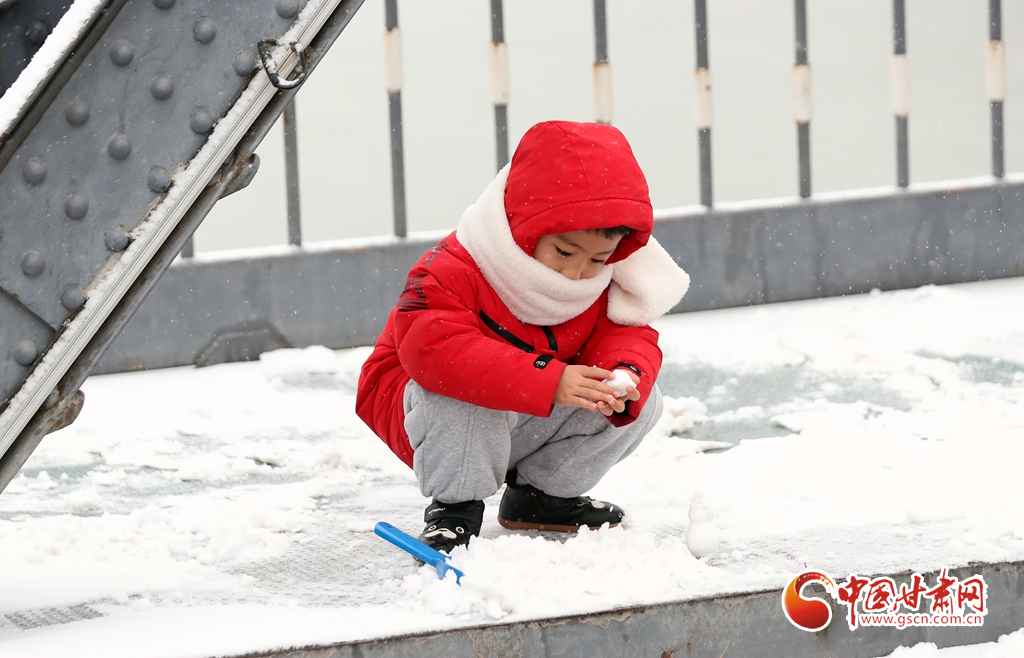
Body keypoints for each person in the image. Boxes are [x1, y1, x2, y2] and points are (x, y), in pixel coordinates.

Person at [356, 120, 690, 553]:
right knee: (465, 388)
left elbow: (626, 336)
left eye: (597, 259)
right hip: (426, 410)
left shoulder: (603, 279)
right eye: (564, 252)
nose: (576, 272)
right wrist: (549, 379)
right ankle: (454, 509)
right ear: (525, 226)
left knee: (641, 400)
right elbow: (434, 351)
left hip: (522, 410)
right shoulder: (453, 268)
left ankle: (539, 498)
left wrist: (622, 375)